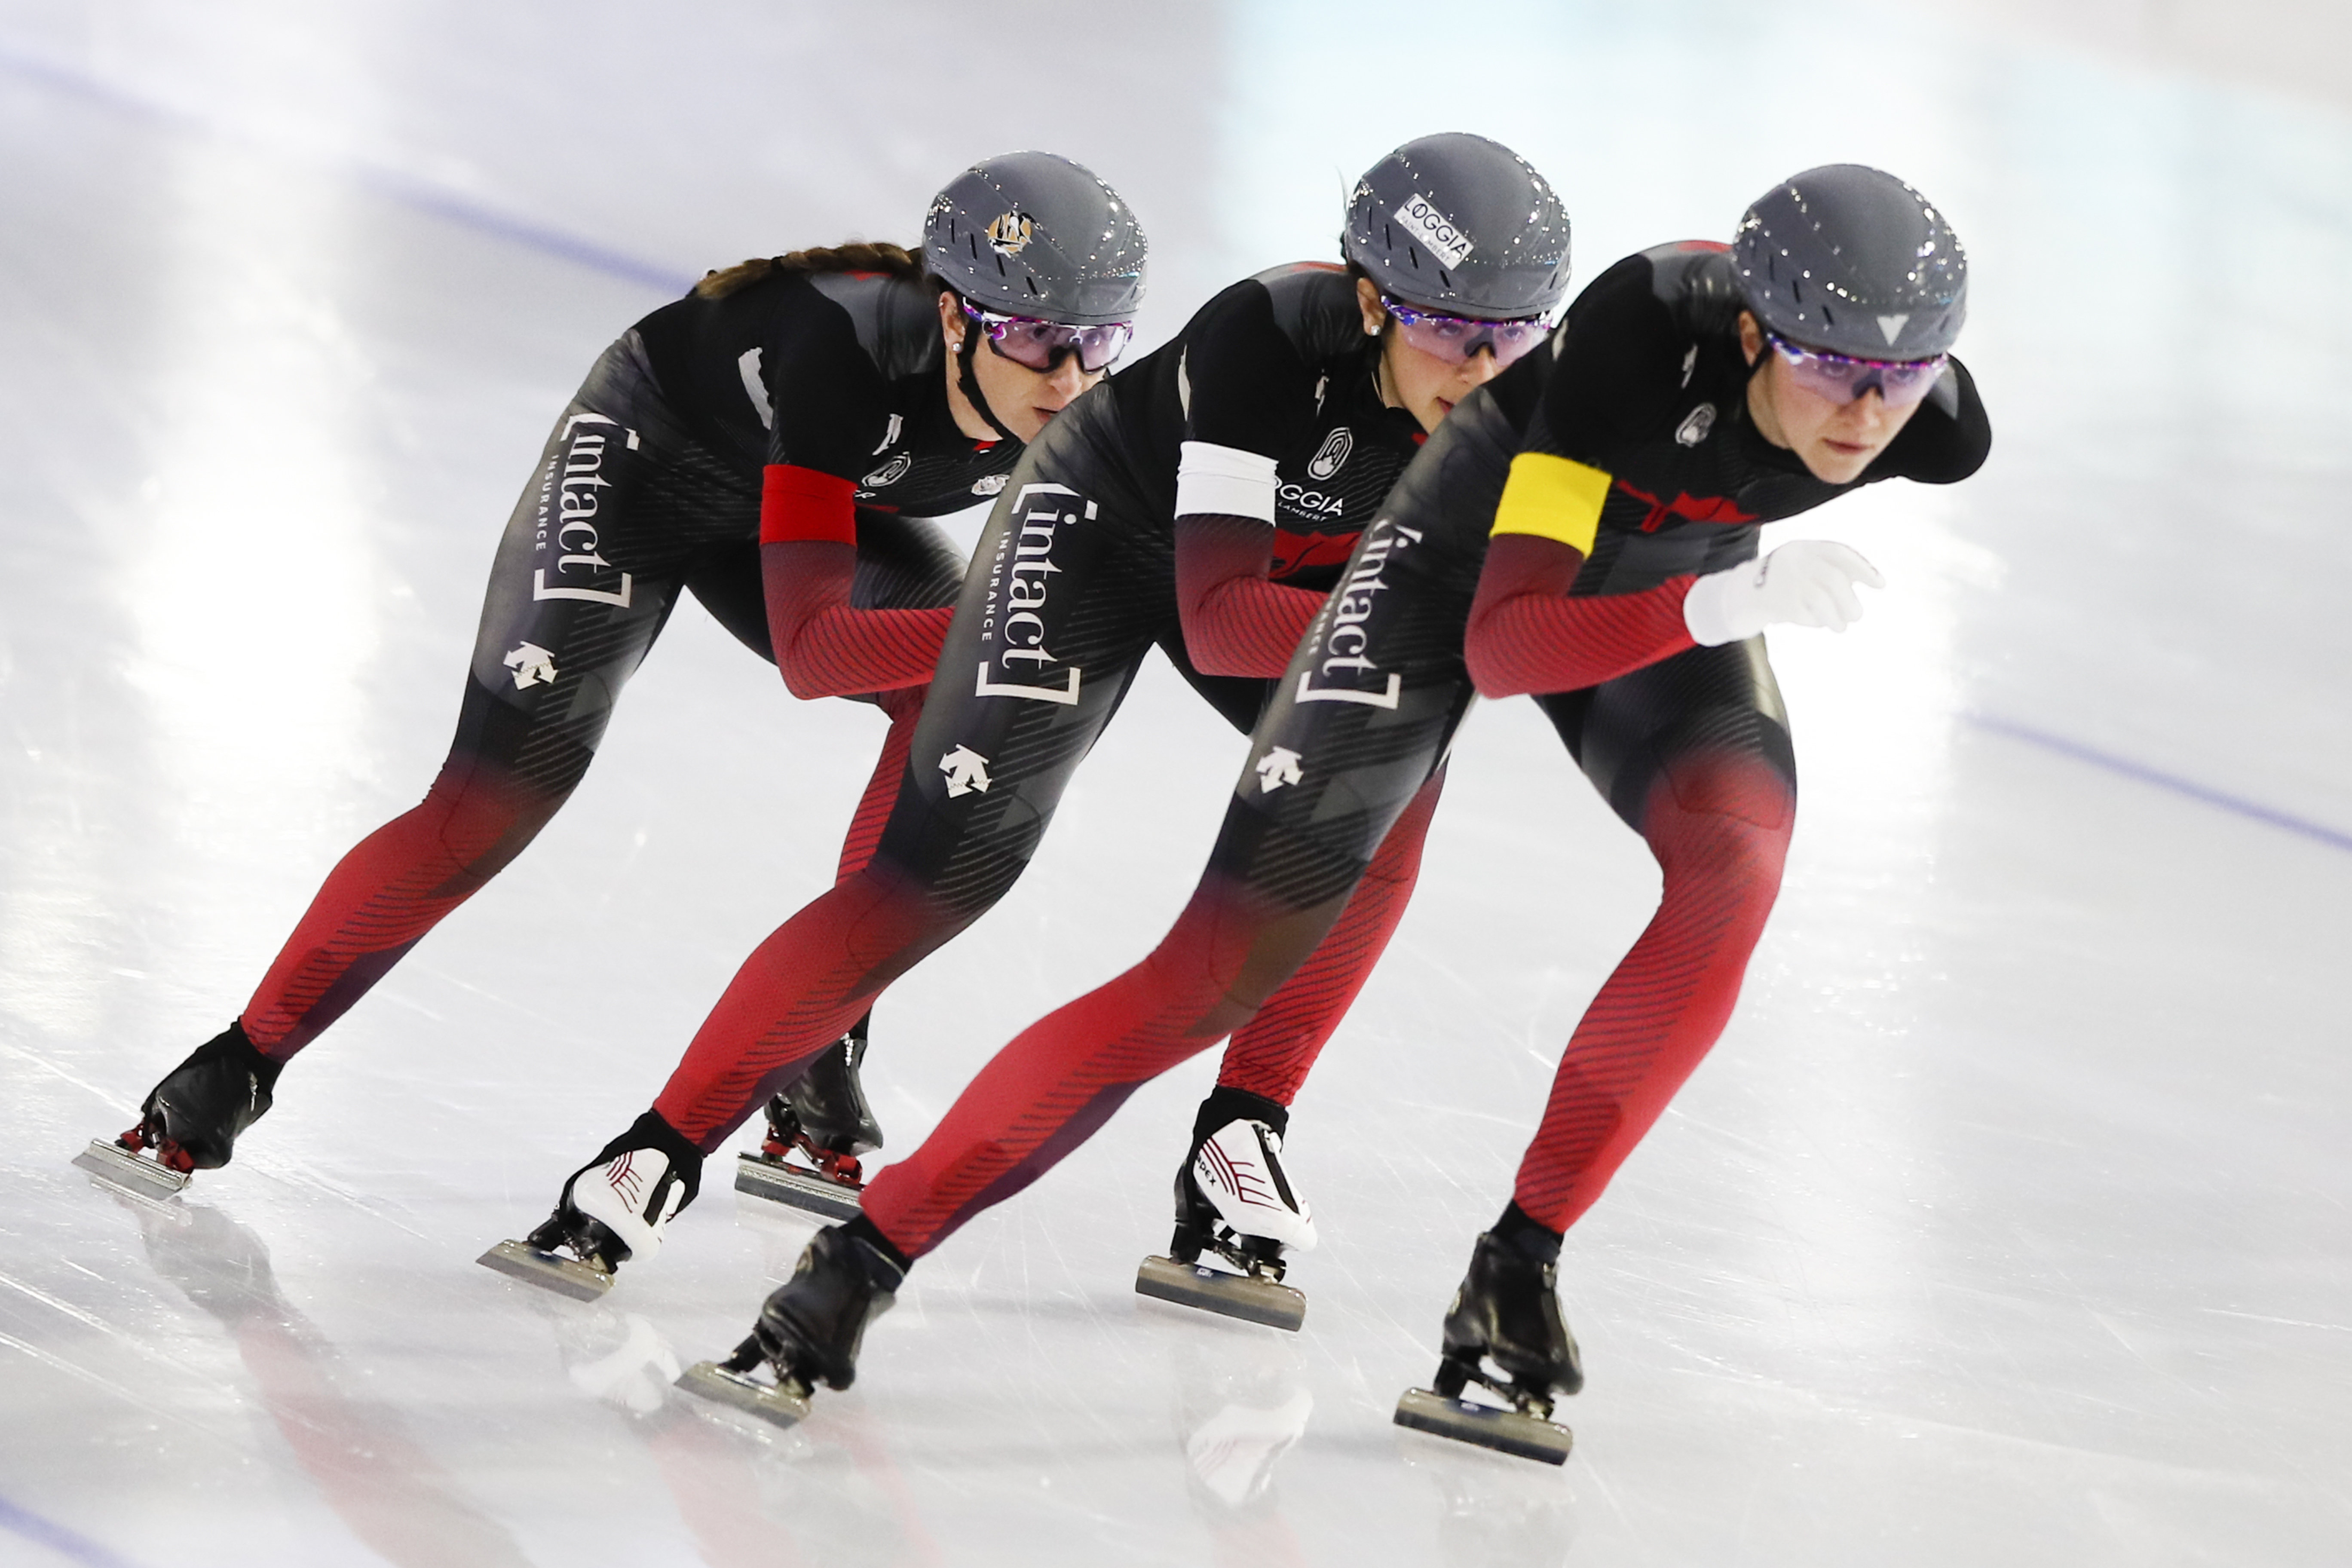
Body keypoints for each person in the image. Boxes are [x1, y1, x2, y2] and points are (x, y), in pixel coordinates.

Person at [684, 166, 1990, 1456]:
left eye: (1907, 372)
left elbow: (1832, 450)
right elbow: (1509, 643)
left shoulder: (1939, 426)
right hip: (1471, 577)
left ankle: (1516, 1269)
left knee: (1736, 870)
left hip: (1670, 585)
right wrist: (1722, 606)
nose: (1871, 411)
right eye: (1832, 368)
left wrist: (1711, 594)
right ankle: (862, 1258)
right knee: (1210, 973)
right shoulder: (1626, 354)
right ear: (1754, 334)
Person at [496, 133, 1575, 1293]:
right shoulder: (1261, 335)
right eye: (1449, 329)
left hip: (1280, 581)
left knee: (1399, 778)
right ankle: (655, 1151)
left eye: (1515, 333)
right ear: (1370, 303)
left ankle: (1241, 1134)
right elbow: (1217, 617)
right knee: (948, 873)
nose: (1482, 365)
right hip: (1106, 540)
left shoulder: (1538, 396)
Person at [77, 152, 1146, 1205]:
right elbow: (816, 651)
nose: (1073, 379)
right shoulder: (843, 347)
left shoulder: (1091, 406)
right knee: (495, 799)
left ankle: (821, 1031)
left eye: (1101, 343)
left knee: (955, 700)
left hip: (812, 500)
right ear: (958, 317)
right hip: (650, 468)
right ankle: (232, 1065)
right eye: (1042, 341)